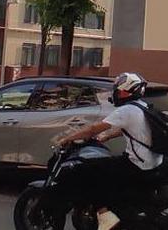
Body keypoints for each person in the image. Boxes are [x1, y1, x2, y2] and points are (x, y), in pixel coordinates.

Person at [53, 72, 162, 230]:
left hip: (137, 164)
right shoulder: (143, 107)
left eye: (118, 91)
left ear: (126, 92)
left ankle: (105, 216)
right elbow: (133, 129)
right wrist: (108, 136)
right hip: (153, 161)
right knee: (106, 170)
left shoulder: (126, 110)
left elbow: (93, 129)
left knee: (86, 170)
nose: (116, 94)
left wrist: (67, 138)